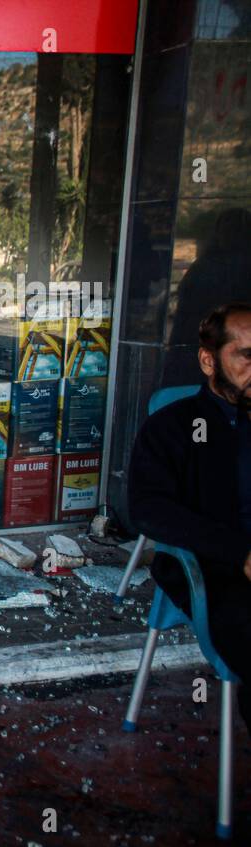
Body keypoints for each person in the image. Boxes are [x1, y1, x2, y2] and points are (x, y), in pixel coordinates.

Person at [128, 302, 251, 725]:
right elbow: (149, 509)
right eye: (246, 356)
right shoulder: (174, 427)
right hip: (215, 571)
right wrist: (240, 553)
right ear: (207, 360)